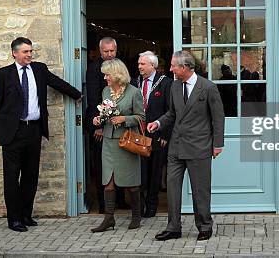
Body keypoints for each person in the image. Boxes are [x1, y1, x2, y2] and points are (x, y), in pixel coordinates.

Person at [0, 37, 82, 232]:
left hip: (34, 130)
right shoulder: (4, 74)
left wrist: (77, 94)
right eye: (25, 52)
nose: (29, 55)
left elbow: (56, 83)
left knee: (31, 176)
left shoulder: (39, 69)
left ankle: (26, 215)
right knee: (12, 177)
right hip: (12, 132)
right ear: (14, 53)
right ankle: (14, 219)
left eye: (31, 51)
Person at [148, 50, 225, 241]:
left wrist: (218, 144)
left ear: (185, 67)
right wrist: (158, 123)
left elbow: (218, 118)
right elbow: (172, 114)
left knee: (200, 190)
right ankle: (173, 227)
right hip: (175, 147)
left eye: (174, 65)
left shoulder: (208, 87)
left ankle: (205, 226)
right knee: (173, 189)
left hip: (199, 147)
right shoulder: (174, 86)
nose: (171, 68)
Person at [91, 58, 145, 232]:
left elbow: (141, 118)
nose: (105, 78)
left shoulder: (134, 92)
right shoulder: (106, 91)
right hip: (108, 141)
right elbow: (105, 113)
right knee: (108, 181)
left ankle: (137, 215)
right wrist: (98, 119)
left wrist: (124, 119)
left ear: (117, 74)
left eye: (107, 75)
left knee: (131, 183)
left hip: (126, 142)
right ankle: (109, 219)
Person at [85, 37, 130, 212]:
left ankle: (120, 200)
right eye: (106, 51)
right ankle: (104, 205)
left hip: (118, 125)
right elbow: (94, 98)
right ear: (100, 51)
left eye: (112, 51)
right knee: (102, 165)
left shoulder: (120, 66)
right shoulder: (94, 69)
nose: (109, 54)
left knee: (119, 164)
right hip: (100, 125)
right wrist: (99, 126)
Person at [133, 51, 173, 218]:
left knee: (155, 173)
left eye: (143, 64)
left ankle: (151, 206)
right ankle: (139, 206)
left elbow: (171, 111)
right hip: (138, 135)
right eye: (139, 63)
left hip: (157, 137)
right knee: (140, 173)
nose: (139, 66)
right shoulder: (135, 82)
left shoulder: (166, 83)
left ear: (153, 66)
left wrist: (165, 135)